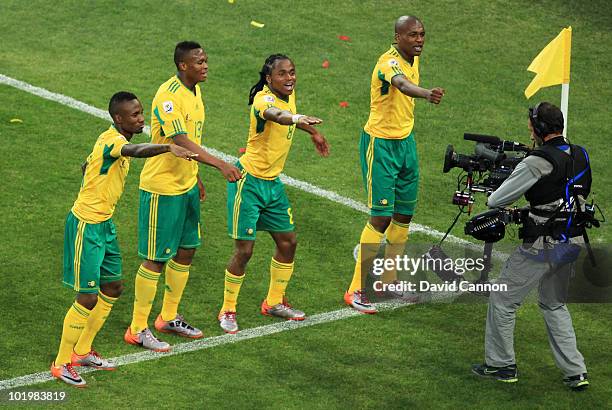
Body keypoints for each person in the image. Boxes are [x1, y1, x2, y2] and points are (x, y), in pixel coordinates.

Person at [51, 92, 196, 387]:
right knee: (87, 296)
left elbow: (89, 164)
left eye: (141, 113)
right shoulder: (115, 141)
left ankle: (82, 351)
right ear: (119, 119)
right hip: (86, 225)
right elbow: (134, 151)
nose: (141, 118)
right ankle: (61, 361)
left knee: (113, 287)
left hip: (104, 225)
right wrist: (168, 146)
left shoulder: (109, 141)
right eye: (134, 115)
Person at [124, 41, 242, 351]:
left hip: (186, 184)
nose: (205, 66)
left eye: (206, 60)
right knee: (155, 259)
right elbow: (180, 140)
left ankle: (168, 316)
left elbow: (192, 142)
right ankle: (137, 327)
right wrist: (220, 164)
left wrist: (197, 176)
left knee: (187, 249)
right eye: (198, 62)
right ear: (182, 66)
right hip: (162, 189)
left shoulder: (194, 90)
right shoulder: (168, 97)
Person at [471, 102, 591, 391]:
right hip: (572, 240)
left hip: (542, 245)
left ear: (539, 128)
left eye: (531, 126)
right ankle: (575, 372)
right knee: (553, 303)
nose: (529, 130)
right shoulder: (580, 154)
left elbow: (496, 200)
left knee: (503, 299)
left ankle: (501, 365)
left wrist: (504, 181)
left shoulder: (537, 161)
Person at [217, 54, 330, 334]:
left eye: (292, 72)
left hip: (272, 184)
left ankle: (274, 302)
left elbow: (287, 117)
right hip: (249, 182)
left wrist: (310, 131)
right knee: (245, 250)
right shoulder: (263, 100)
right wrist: (298, 118)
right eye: (283, 74)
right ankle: (228, 309)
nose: (290, 78)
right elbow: (276, 116)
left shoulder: (288, 94)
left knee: (288, 242)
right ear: (269, 79)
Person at [346, 16, 444, 313]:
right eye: (413, 35)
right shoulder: (388, 63)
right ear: (397, 36)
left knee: (403, 215)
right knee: (380, 217)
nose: (419, 40)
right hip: (381, 145)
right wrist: (427, 93)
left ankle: (388, 281)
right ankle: (355, 290)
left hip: (405, 144)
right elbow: (401, 85)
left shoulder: (412, 58)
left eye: (422, 34)